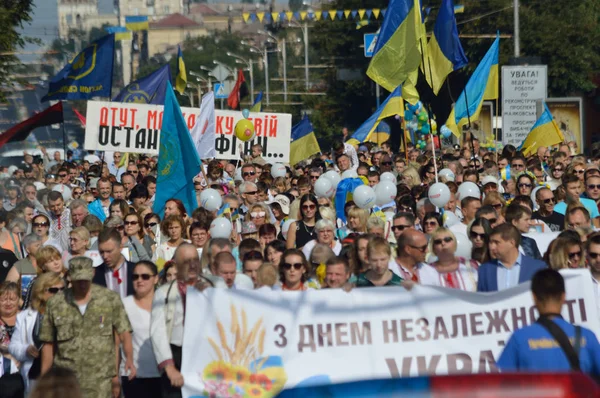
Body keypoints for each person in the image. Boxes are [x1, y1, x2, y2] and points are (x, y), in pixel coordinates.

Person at [39, 257, 136, 398]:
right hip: (67, 382)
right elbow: (48, 344)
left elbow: (122, 334)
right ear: (70, 276)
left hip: (101, 382)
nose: (83, 284)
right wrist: (45, 380)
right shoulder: (55, 303)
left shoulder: (109, 299)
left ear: (92, 273)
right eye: (78, 280)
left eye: (86, 279)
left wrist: (124, 366)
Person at [497, 269, 600, 376]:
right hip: (577, 393)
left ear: (534, 297)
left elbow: (502, 383)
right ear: (564, 296)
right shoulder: (587, 337)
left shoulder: (519, 339)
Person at [9, 272, 64, 393]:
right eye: (54, 290)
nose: (60, 293)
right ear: (41, 292)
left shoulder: (70, 314)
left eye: (62, 289)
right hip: (35, 375)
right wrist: (26, 350)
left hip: (63, 378)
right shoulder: (25, 317)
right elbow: (13, 347)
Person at [121, 261, 161, 398]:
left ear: (156, 279)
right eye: (135, 277)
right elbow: (115, 342)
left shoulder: (166, 303)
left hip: (162, 375)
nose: (139, 280)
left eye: (145, 276)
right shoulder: (124, 305)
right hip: (133, 376)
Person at [477, 224, 547, 292]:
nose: (492, 247)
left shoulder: (538, 268)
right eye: (490, 243)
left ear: (512, 243)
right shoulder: (484, 270)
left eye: (496, 242)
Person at [94, 227, 135, 298]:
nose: (105, 256)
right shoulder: (95, 274)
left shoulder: (135, 271)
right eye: (101, 252)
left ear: (120, 247)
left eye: (109, 251)